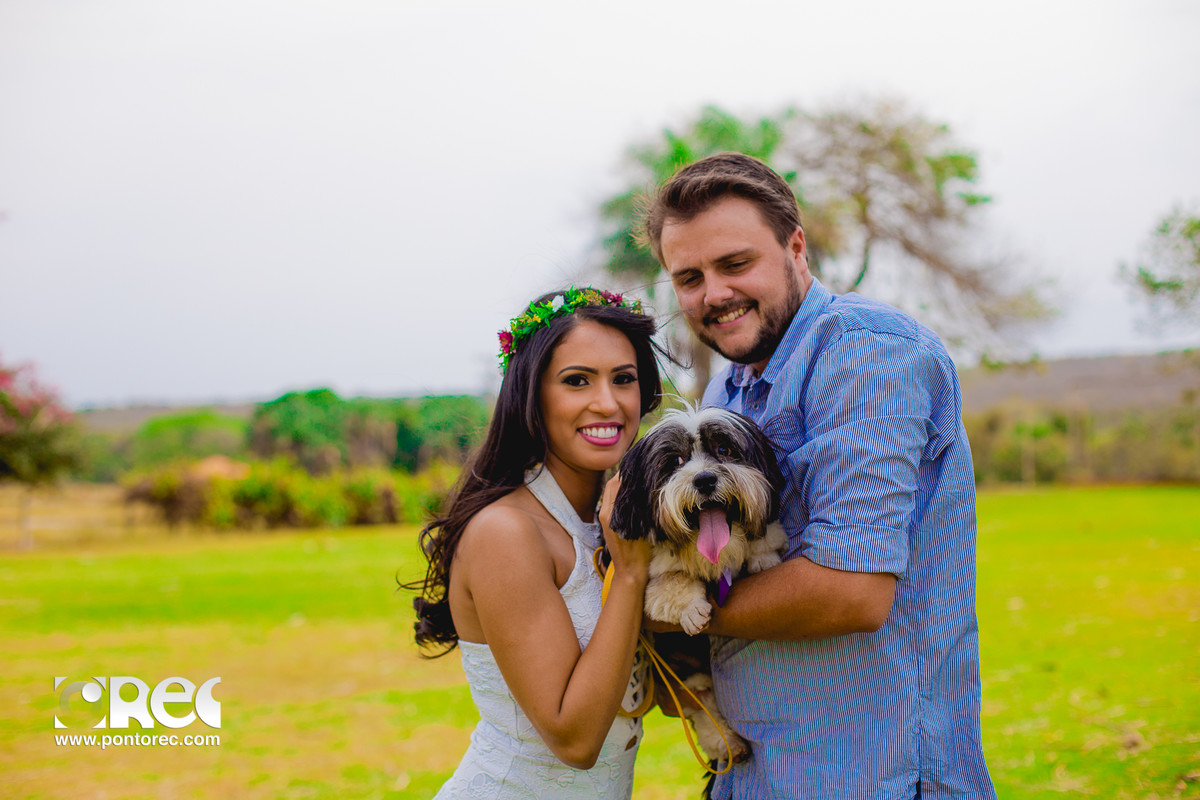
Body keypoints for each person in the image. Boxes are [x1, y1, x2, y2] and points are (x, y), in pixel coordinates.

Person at [642, 152, 997, 800]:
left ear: (795, 246)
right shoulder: (729, 384)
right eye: (688, 276)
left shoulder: (866, 352)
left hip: (870, 776)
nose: (713, 293)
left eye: (735, 263)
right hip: (755, 773)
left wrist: (660, 614)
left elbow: (849, 592)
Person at [410, 287, 665, 799]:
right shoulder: (507, 532)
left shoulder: (605, 521)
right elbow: (574, 738)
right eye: (577, 381)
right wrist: (632, 574)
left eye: (624, 379)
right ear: (531, 394)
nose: (607, 403)